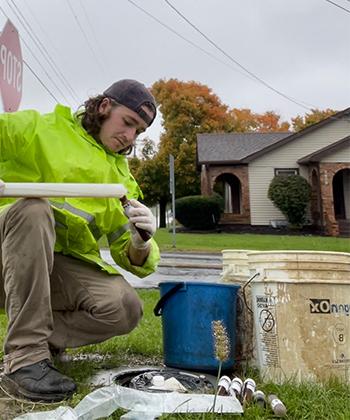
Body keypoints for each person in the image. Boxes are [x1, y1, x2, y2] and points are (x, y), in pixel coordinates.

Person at [0, 79, 160, 402]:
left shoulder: (119, 180)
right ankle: (24, 360)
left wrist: (142, 243)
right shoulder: (42, 129)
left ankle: (41, 340)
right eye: (128, 123)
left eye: (139, 132)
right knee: (33, 209)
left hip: (49, 272)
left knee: (125, 307)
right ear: (104, 107)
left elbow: (125, 250)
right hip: (6, 257)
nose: (130, 137)